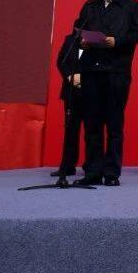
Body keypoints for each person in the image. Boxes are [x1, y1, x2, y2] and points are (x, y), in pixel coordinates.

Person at [73, 0, 138, 186]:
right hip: (91, 70)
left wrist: (118, 41)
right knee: (92, 124)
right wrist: (82, 39)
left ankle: (111, 173)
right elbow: (78, 28)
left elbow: (137, 33)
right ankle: (93, 172)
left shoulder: (132, 6)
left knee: (114, 125)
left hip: (116, 72)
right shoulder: (91, 5)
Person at [51, 31, 86, 178]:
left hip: (91, 91)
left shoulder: (98, 38)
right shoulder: (70, 40)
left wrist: (84, 78)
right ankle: (67, 166)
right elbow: (61, 61)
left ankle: (92, 167)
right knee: (70, 130)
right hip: (71, 91)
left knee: (93, 131)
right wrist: (70, 76)